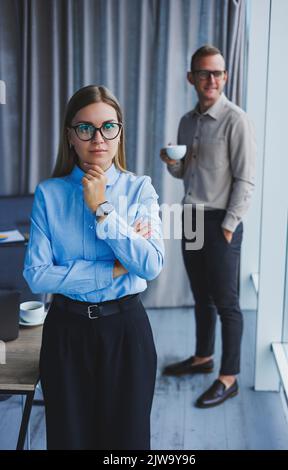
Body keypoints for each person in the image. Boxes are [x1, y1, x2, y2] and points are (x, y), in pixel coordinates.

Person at [23, 85, 164, 449]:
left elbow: (149, 264)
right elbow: (36, 274)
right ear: (70, 136)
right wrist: (113, 269)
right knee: (69, 441)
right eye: (85, 128)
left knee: (128, 444)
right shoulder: (49, 194)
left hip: (125, 333)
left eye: (108, 127)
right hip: (65, 335)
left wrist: (102, 207)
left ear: (120, 132)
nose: (97, 138)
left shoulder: (140, 190)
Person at [160, 45, 255, 408]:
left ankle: (228, 378)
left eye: (217, 73)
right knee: (201, 296)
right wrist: (170, 161)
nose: (211, 79)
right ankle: (203, 358)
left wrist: (229, 227)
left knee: (227, 303)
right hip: (191, 217)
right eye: (204, 73)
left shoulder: (236, 119)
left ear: (225, 77)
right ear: (191, 78)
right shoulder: (187, 121)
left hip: (219, 223)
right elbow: (183, 172)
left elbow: (246, 180)